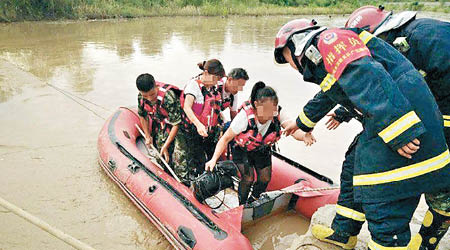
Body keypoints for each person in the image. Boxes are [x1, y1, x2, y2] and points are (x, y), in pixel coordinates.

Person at [274, 19, 450, 250]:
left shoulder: (330, 40)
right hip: (395, 118)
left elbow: (366, 76)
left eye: (285, 57)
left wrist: (399, 131)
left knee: (382, 202)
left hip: (405, 122)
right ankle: (344, 232)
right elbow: (332, 92)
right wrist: (302, 123)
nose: (291, 65)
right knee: (353, 165)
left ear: (295, 44)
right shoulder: (327, 58)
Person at [345, 7, 450, 249]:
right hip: (440, 119)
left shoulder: (421, 39)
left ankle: (424, 244)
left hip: (443, 123)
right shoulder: (414, 38)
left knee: (442, 191)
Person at [205, 81, 316, 205]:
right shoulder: (244, 118)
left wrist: (304, 136)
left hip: (262, 149)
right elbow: (225, 139)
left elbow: (293, 130)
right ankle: (241, 204)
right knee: (248, 178)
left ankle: (253, 200)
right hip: (242, 149)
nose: (270, 113)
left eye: (273, 108)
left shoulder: (278, 113)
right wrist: (213, 159)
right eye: (266, 109)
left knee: (265, 178)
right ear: (256, 105)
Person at [136, 73, 190, 184]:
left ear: (156, 86)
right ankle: (168, 179)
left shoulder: (168, 96)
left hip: (179, 126)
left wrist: (166, 145)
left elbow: (176, 124)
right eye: (146, 96)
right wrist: (147, 135)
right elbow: (142, 115)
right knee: (161, 157)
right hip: (162, 124)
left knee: (179, 158)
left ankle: (184, 183)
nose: (150, 99)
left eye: (152, 94)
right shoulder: (141, 97)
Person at [182, 59, 226, 177]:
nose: (216, 82)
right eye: (215, 78)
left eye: (218, 80)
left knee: (213, 157)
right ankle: (199, 181)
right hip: (194, 130)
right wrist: (198, 125)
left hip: (209, 130)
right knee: (199, 161)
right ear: (206, 73)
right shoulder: (193, 86)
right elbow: (187, 107)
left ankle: (214, 180)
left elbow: (215, 108)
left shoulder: (212, 87)